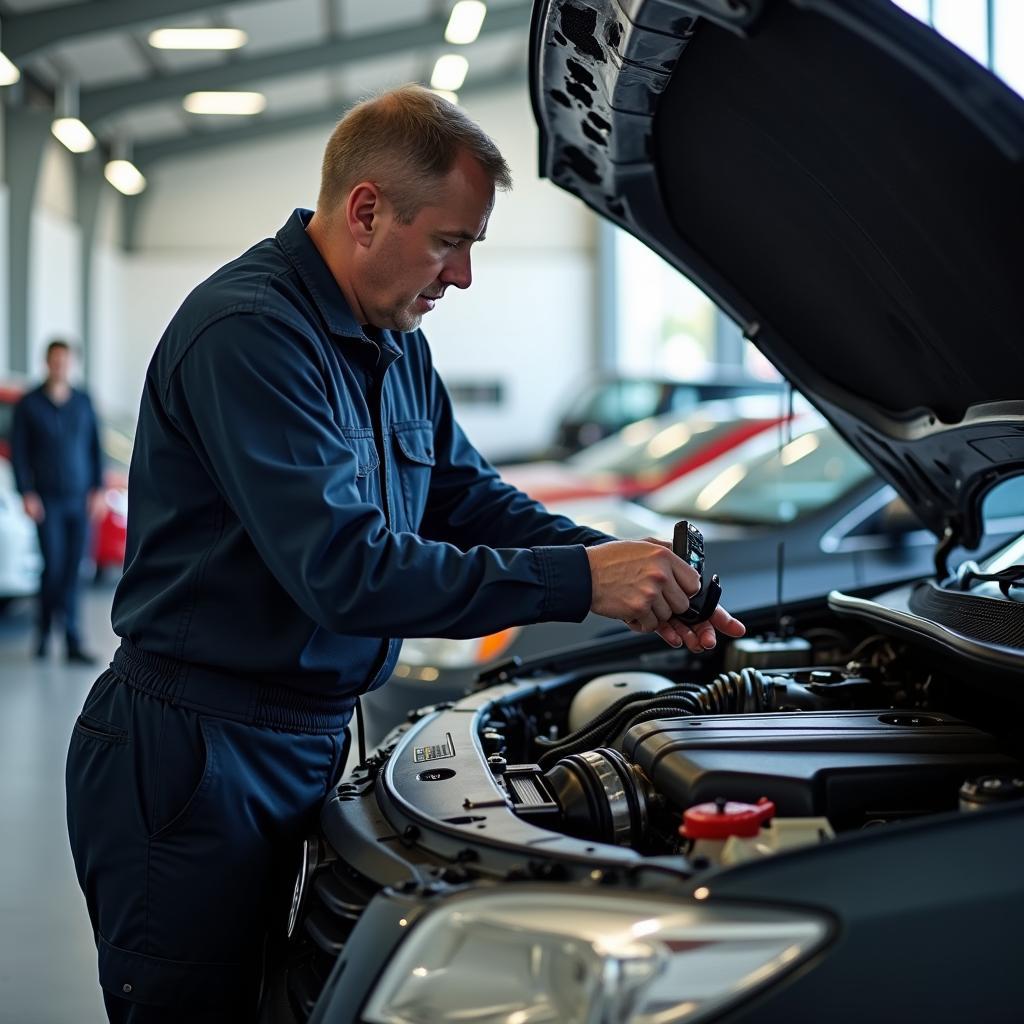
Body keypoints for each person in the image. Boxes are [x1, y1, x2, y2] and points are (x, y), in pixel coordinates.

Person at [65, 85, 745, 1023]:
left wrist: (631, 571)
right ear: (367, 209)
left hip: (298, 741)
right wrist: (583, 583)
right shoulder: (250, 335)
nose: (461, 275)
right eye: (449, 241)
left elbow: (467, 498)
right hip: (197, 754)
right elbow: (346, 571)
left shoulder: (391, 340)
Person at [11, 338, 103, 663]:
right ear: (46, 362)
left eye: (65, 360)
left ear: (71, 363)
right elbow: (19, 453)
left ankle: (73, 641)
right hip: (47, 500)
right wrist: (27, 493)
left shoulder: (83, 401)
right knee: (52, 569)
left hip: (80, 500)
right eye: (55, 360)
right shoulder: (29, 403)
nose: (60, 365)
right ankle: (44, 629)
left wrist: (98, 490)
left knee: (74, 570)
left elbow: (95, 448)